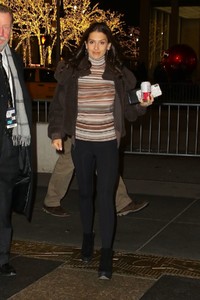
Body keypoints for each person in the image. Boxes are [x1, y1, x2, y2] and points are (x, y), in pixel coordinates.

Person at [48, 21, 153, 280]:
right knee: (85, 194)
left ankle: (106, 254)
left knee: (105, 199)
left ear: (109, 47)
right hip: (81, 143)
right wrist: (57, 133)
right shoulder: (73, 73)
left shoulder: (118, 75)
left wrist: (142, 104)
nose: (96, 48)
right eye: (92, 42)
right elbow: (59, 106)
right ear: (85, 44)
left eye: (102, 43)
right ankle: (87, 238)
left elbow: (129, 112)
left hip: (107, 144)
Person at [0, 4, 32, 276]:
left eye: (7, 26)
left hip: (9, 143)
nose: (2, 32)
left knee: (3, 204)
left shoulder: (15, 59)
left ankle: (1, 258)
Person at [43, 137, 149, 217]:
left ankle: (122, 202)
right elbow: (59, 108)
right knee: (68, 160)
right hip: (75, 124)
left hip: (94, 123)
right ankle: (51, 201)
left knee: (104, 161)